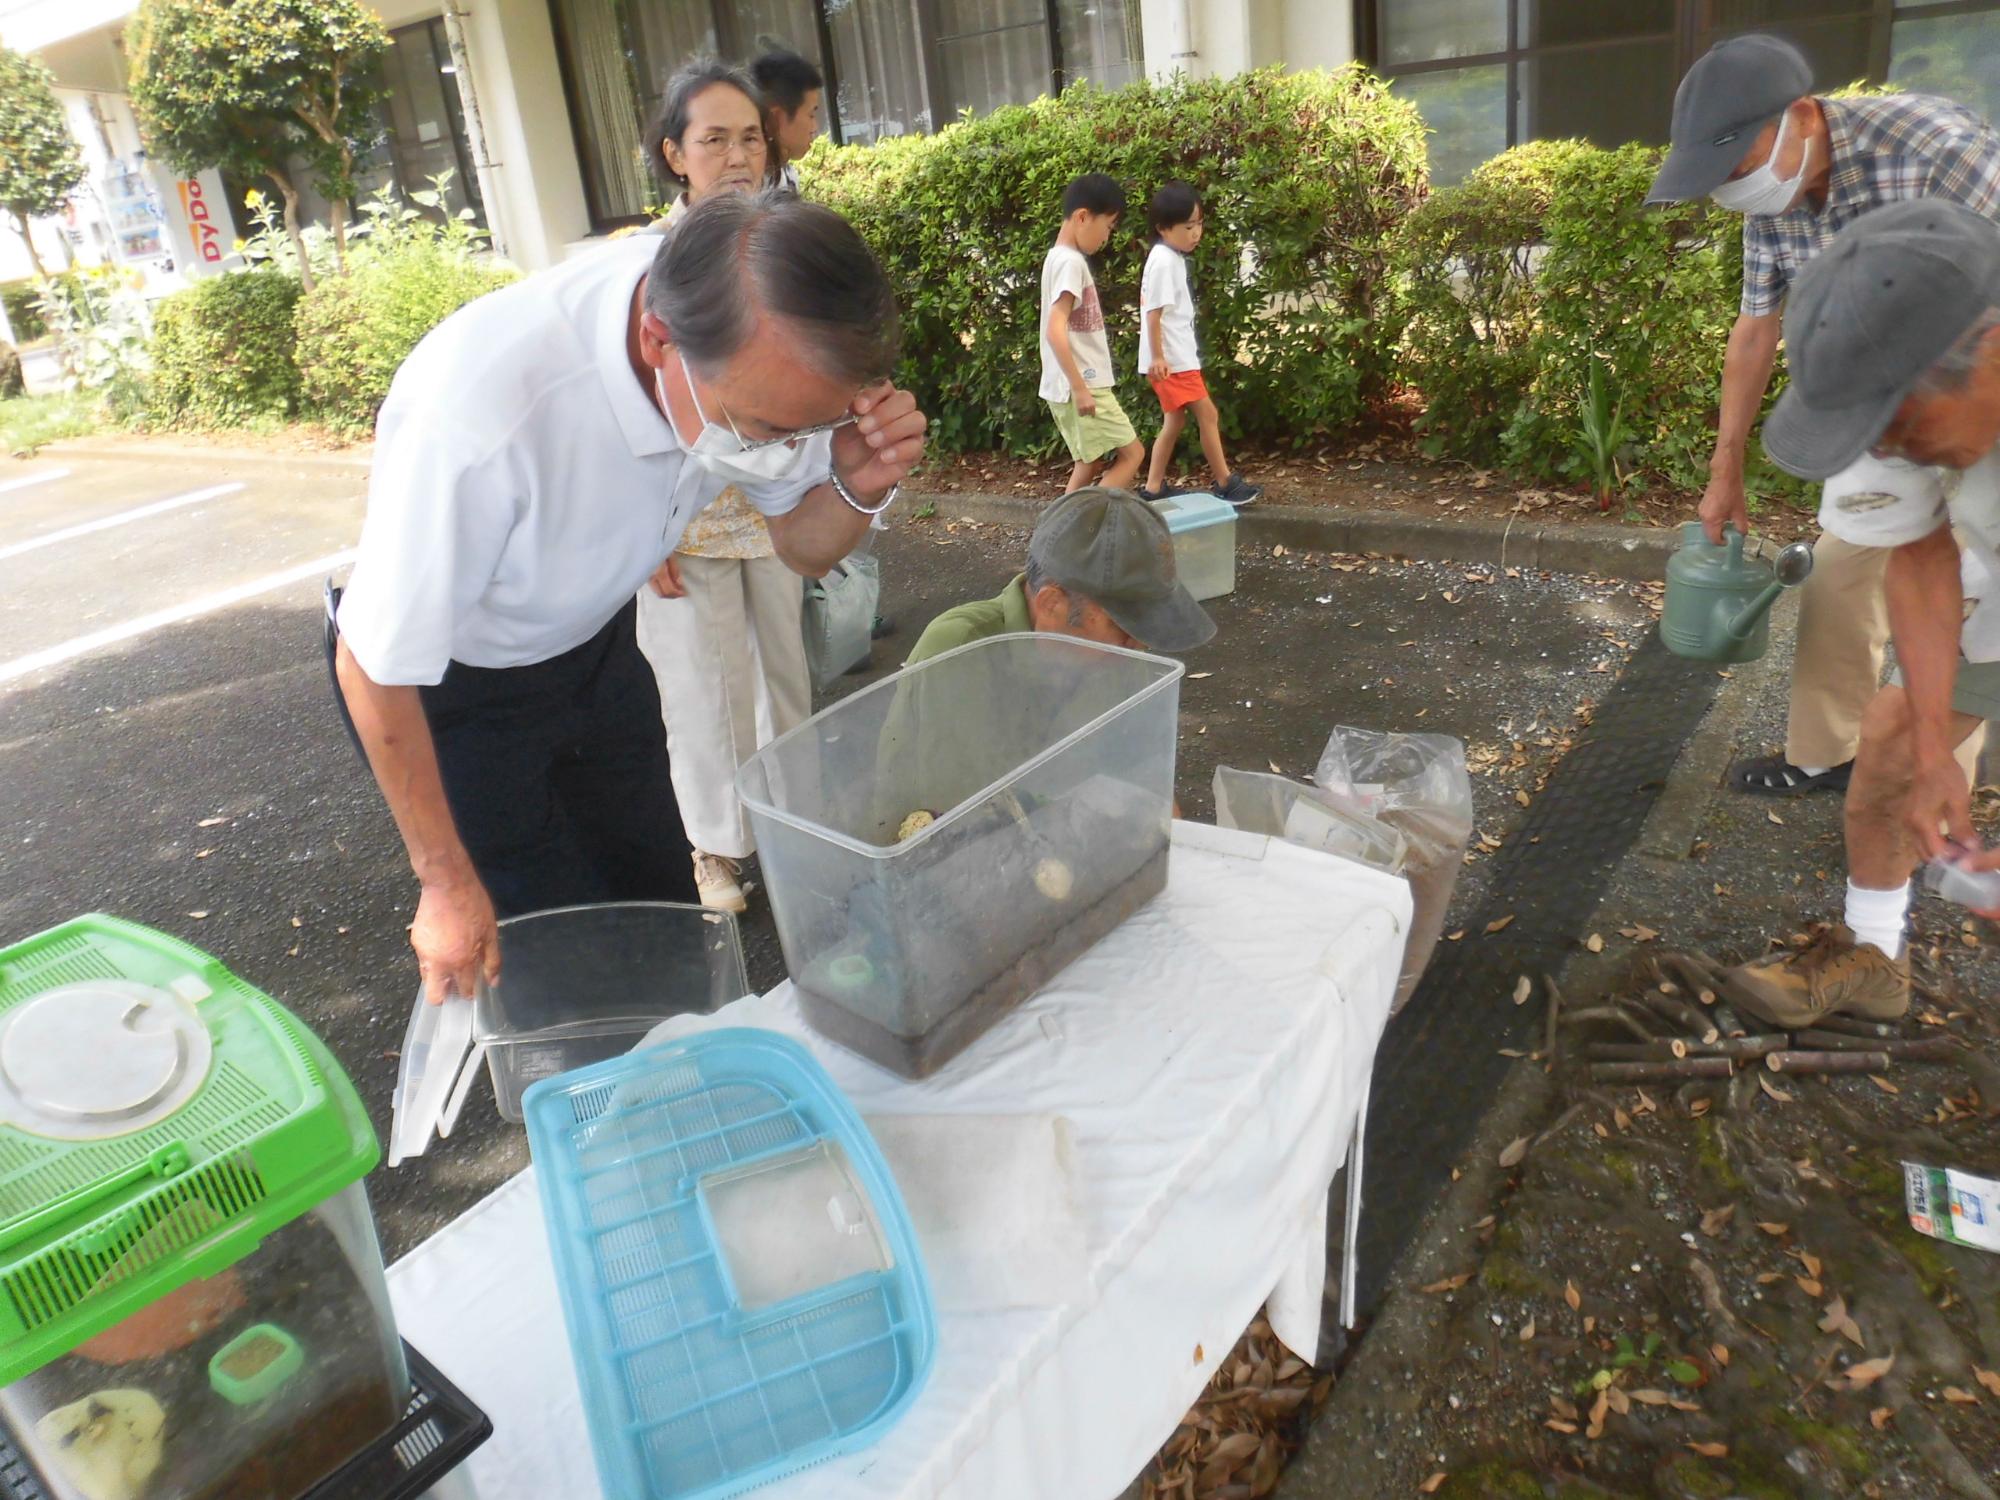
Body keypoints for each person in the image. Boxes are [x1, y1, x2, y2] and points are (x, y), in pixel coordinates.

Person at [333, 188, 926, 1002]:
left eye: (806, 432)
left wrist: (857, 482)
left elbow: (799, 546)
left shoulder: (755, 349)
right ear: (658, 340)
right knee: (549, 952)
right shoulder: (482, 415)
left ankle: (679, 1073)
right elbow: (371, 661)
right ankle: (590, 1099)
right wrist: (443, 883)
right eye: (763, 429)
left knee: (662, 909)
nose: (784, 450)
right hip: (457, 691)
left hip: (597, 641)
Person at [1648, 32, 2000, 798]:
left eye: (1737, 166)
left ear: (1802, 116)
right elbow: (1755, 327)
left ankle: (1933, 785)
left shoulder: (1940, 149)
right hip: (1873, 407)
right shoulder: (1773, 195)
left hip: (1972, 402)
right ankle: (1823, 755)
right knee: (1842, 570)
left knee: (1968, 590)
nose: (1735, 188)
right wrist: (1725, 469)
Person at [1720, 198, 2000, 1024]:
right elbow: (1918, 554)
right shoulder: (1893, 403)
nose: (1886, 451)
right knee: (1890, 746)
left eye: (1898, 428)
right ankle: (1876, 955)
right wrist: (1933, 752)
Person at [635, 60, 817, 914]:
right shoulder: (643, 266)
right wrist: (640, 536)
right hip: (684, 524)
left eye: (751, 136)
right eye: (714, 140)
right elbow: (624, 419)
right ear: (675, 154)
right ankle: (715, 849)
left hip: (776, 514)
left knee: (786, 680)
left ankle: (794, 829)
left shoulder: (791, 244)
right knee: (704, 688)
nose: (738, 156)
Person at [907, 486, 1215, 664]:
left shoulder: (1104, 657)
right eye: (1122, 623)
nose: (1138, 644)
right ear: (1053, 603)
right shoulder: (960, 650)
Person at [1136, 181, 1261, 509]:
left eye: (1200, 224)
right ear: (1164, 228)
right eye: (1188, 226)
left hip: (1175, 357)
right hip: (1173, 361)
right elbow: (1153, 313)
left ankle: (1153, 487)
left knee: (1175, 421)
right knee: (1208, 414)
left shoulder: (1168, 256)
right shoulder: (1163, 259)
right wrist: (1159, 357)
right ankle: (1225, 482)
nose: (1196, 232)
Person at [1041, 174, 1145, 496]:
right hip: (1083, 384)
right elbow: (1054, 329)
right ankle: (1085, 524)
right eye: (1109, 226)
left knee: (1090, 460)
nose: (1107, 236)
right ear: (1083, 217)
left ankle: (1064, 531)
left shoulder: (1056, 258)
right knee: (1133, 454)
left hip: (1071, 384)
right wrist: (1080, 387)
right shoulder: (1071, 262)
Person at [751, 48, 822, 194]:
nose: (814, 127)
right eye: (811, 114)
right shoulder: (742, 189)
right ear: (775, 119)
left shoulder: (786, 176)